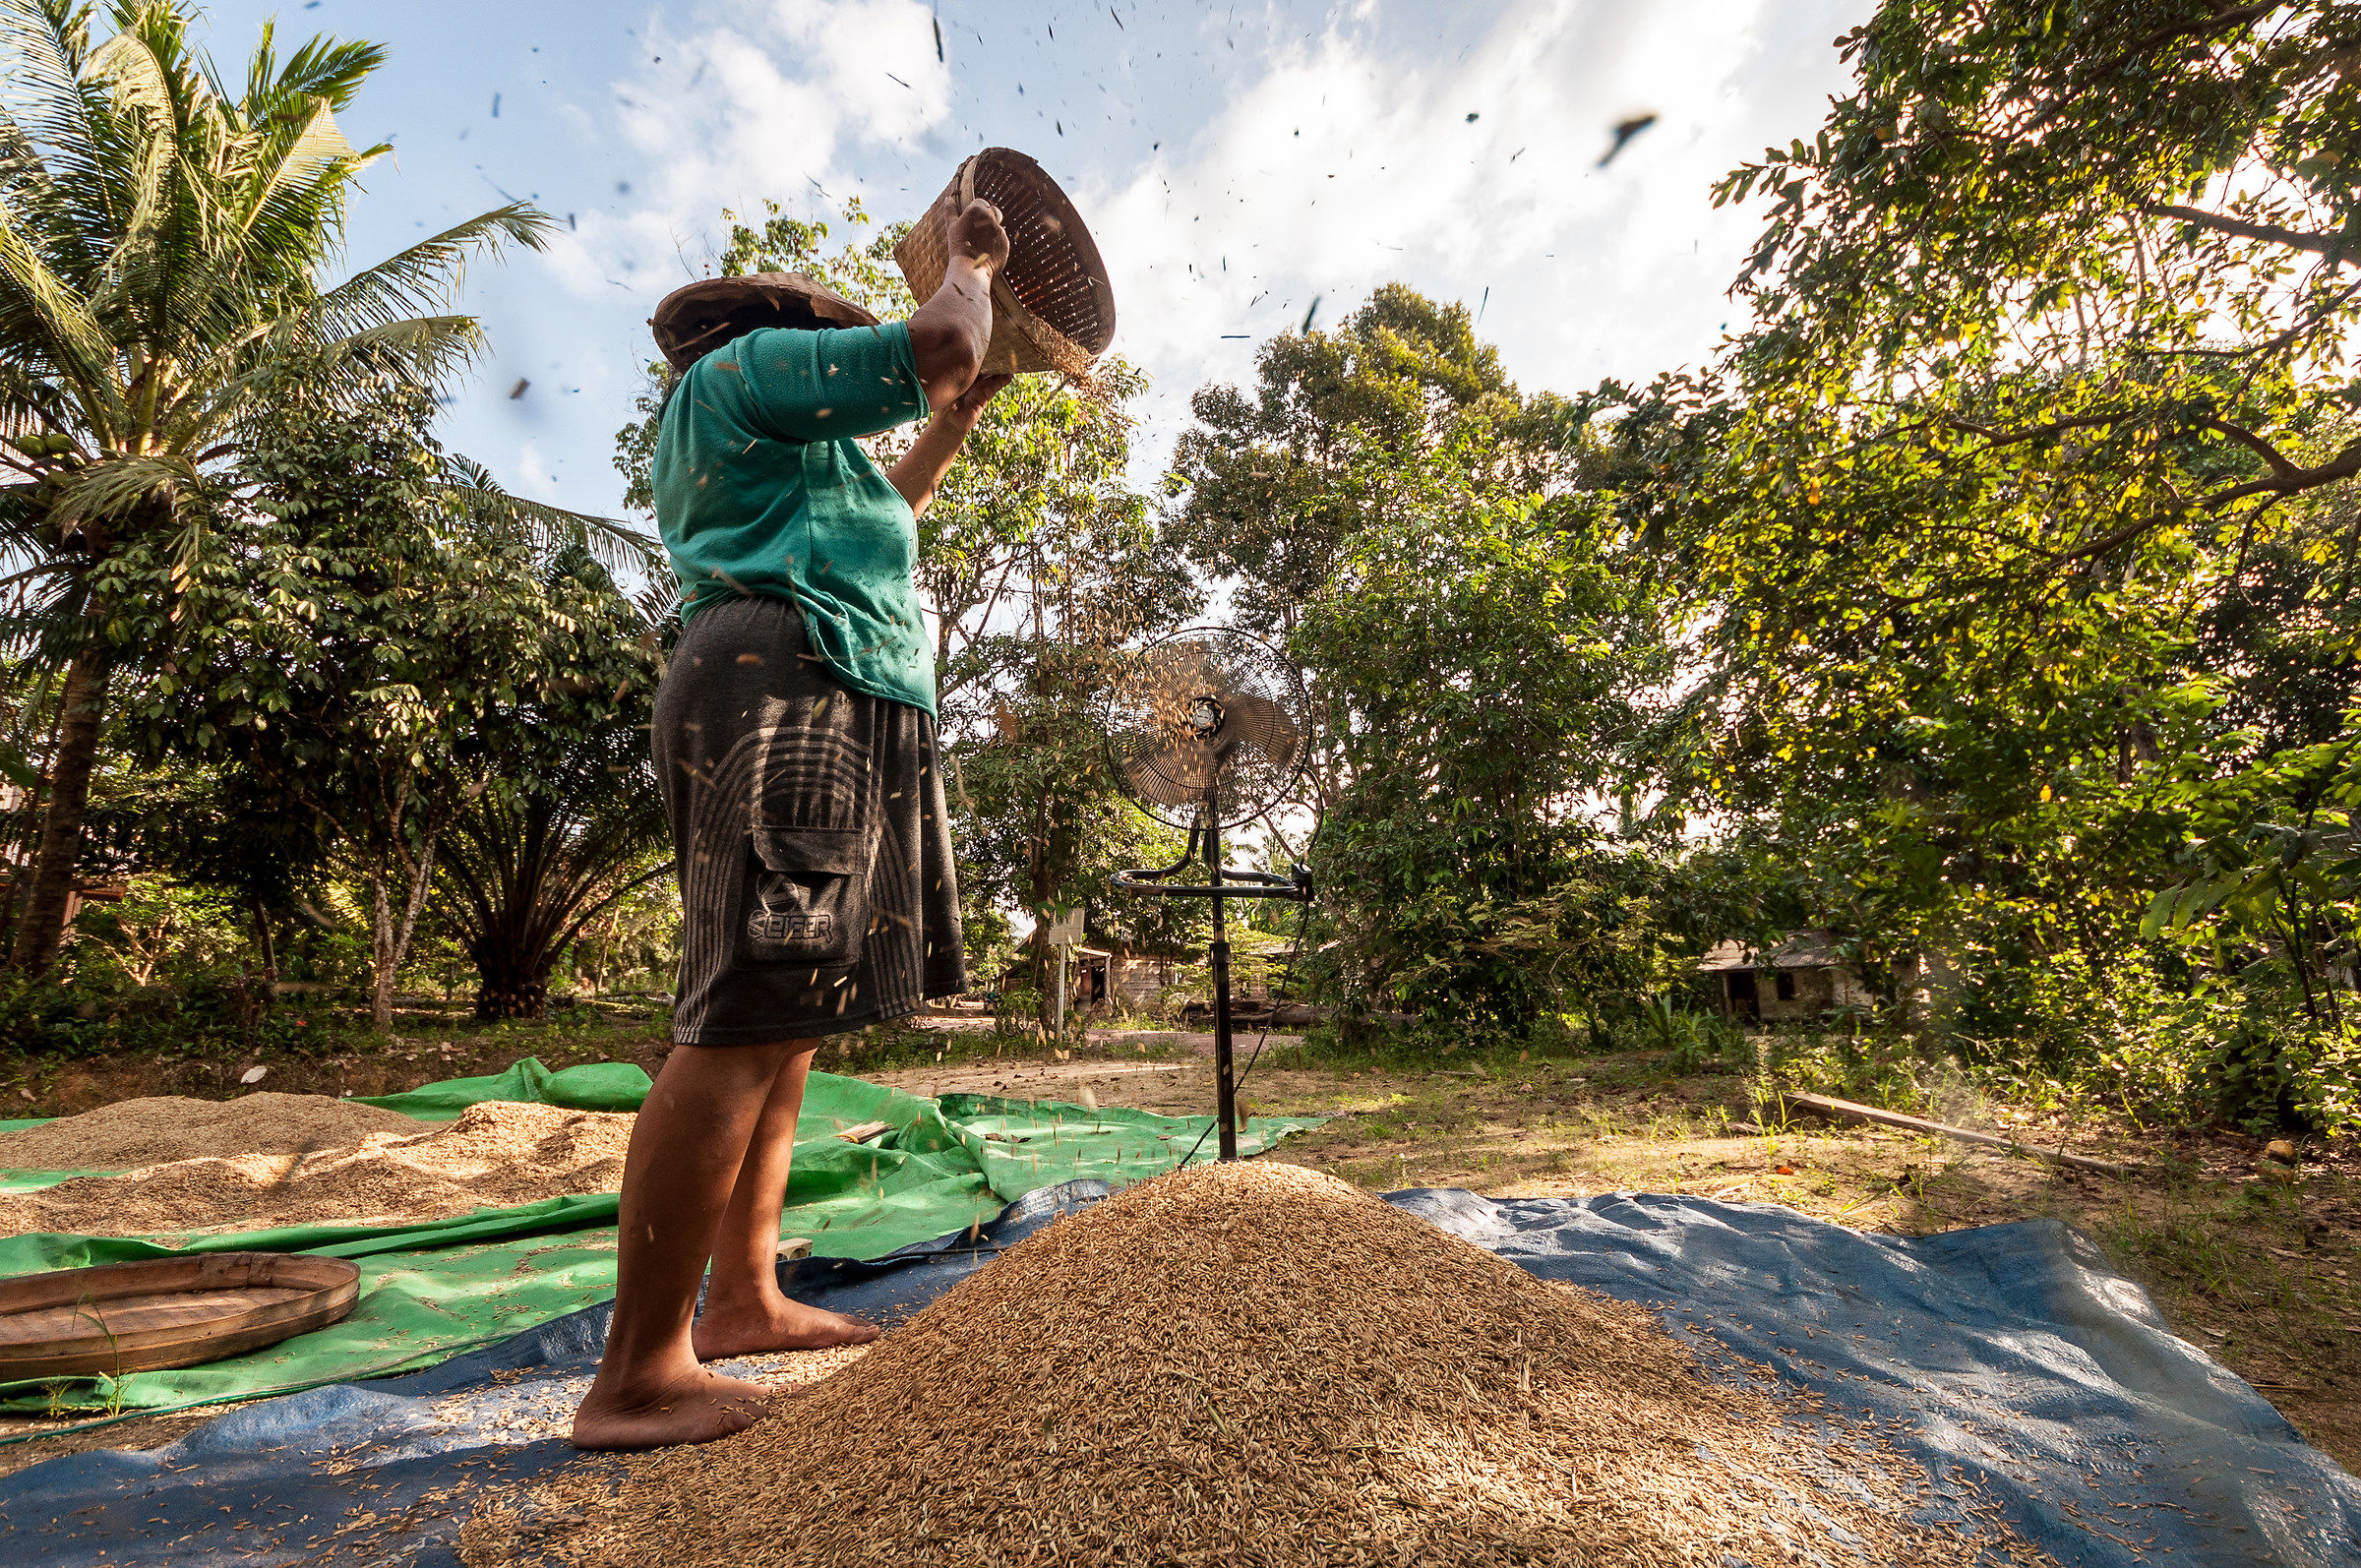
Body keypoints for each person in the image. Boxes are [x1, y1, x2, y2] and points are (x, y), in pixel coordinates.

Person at [571, 199, 1012, 1451]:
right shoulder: (744, 369)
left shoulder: (786, 452)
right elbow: (938, 336)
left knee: (792, 1012)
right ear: (775, 328)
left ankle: (746, 1297)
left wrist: (948, 427)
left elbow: (891, 518)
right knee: (747, 1006)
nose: (834, 335)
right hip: (788, 687)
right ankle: (638, 1373)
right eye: (823, 323)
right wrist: (971, 263)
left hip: (824, 682)